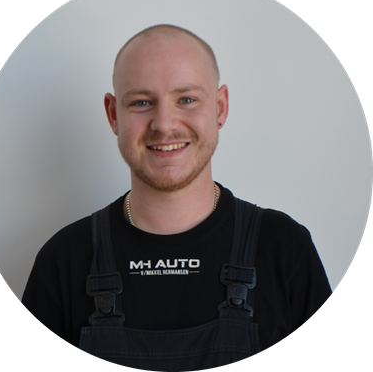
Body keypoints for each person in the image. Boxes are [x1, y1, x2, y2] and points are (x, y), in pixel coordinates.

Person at [22, 24, 332, 370]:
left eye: (186, 100)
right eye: (142, 102)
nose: (165, 124)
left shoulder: (284, 248)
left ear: (220, 107)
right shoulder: (64, 259)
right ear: (113, 115)